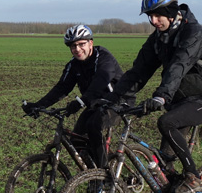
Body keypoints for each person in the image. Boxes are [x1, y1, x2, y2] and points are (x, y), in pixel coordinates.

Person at [106, 0, 202, 193]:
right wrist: (113, 98)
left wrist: (161, 96)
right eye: (150, 16)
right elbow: (138, 72)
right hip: (181, 101)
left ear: (171, 13)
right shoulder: (158, 39)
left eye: (157, 15)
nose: (153, 21)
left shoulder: (193, 34)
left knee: (166, 122)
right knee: (164, 167)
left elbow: (178, 67)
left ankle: (194, 177)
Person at [22, 24, 130, 169]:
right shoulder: (73, 65)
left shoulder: (104, 58)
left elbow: (100, 81)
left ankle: (104, 174)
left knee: (93, 125)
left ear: (90, 43)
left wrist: (81, 101)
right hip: (95, 104)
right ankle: (92, 174)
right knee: (76, 140)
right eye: (73, 46)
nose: (77, 49)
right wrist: (38, 105)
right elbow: (62, 88)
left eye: (81, 44)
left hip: (117, 101)